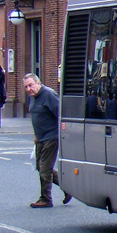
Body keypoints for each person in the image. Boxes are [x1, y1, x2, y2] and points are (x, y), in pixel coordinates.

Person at [24, 73, 70, 208]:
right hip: (40, 138)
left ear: (38, 83)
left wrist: (63, 134)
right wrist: (35, 135)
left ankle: (46, 198)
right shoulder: (32, 97)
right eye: (26, 87)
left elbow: (60, 114)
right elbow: (35, 117)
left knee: (45, 169)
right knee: (40, 166)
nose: (28, 89)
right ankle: (67, 187)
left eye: (31, 85)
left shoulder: (48, 95)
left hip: (51, 137)